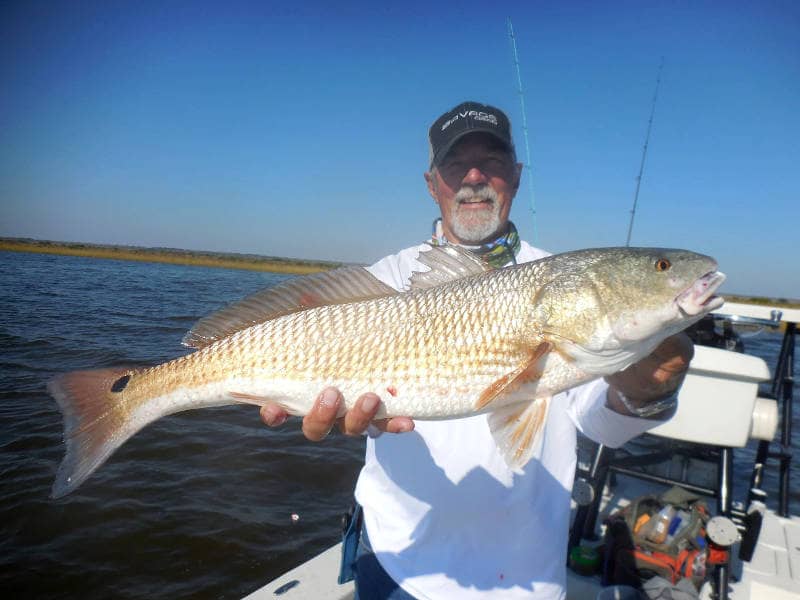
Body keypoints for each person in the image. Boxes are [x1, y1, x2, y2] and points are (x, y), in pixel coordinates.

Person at [260, 101, 694, 599]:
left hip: (524, 574)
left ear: (516, 175)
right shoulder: (385, 282)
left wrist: (647, 391)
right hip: (397, 557)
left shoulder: (569, 284)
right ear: (432, 184)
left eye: (491, 161)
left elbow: (602, 427)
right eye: (454, 164)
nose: (473, 177)